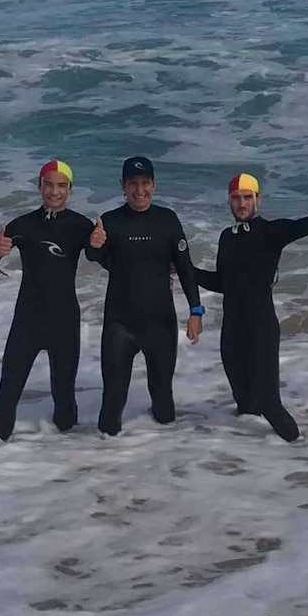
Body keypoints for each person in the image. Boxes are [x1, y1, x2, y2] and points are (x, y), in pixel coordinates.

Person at [193, 173, 308, 442]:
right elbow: (223, 283)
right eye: (236, 198)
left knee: (269, 404)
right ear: (229, 200)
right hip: (232, 332)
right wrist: (185, 271)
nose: (241, 204)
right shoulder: (227, 238)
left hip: (261, 329)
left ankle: (300, 451)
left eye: (247, 198)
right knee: (245, 405)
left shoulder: (271, 232)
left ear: (257, 199)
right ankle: (253, 466)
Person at [0, 160, 94, 441]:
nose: (54, 191)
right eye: (48, 185)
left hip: (64, 322)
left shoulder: (80, 226)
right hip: (28, 321)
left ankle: (66, 468)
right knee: (8, 395)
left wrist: (99, 245)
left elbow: (108, 260)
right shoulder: (23, 225)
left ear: (70, 189)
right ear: (39, 186)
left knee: (64, 404)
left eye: (61, 186)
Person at [87, 156, 205, 436]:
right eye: (132, 184)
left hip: (160, 324)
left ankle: (162, 468)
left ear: (154, 184)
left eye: (145, 183)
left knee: (164, 407)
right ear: (122, 186)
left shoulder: (167, 220)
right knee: (111, 410)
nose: (139, 190)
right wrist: (93, 245)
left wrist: (196, 311)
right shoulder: (110, 222)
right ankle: (103, 466)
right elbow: (97, 257)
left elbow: (185, 267)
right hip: (120, 325)